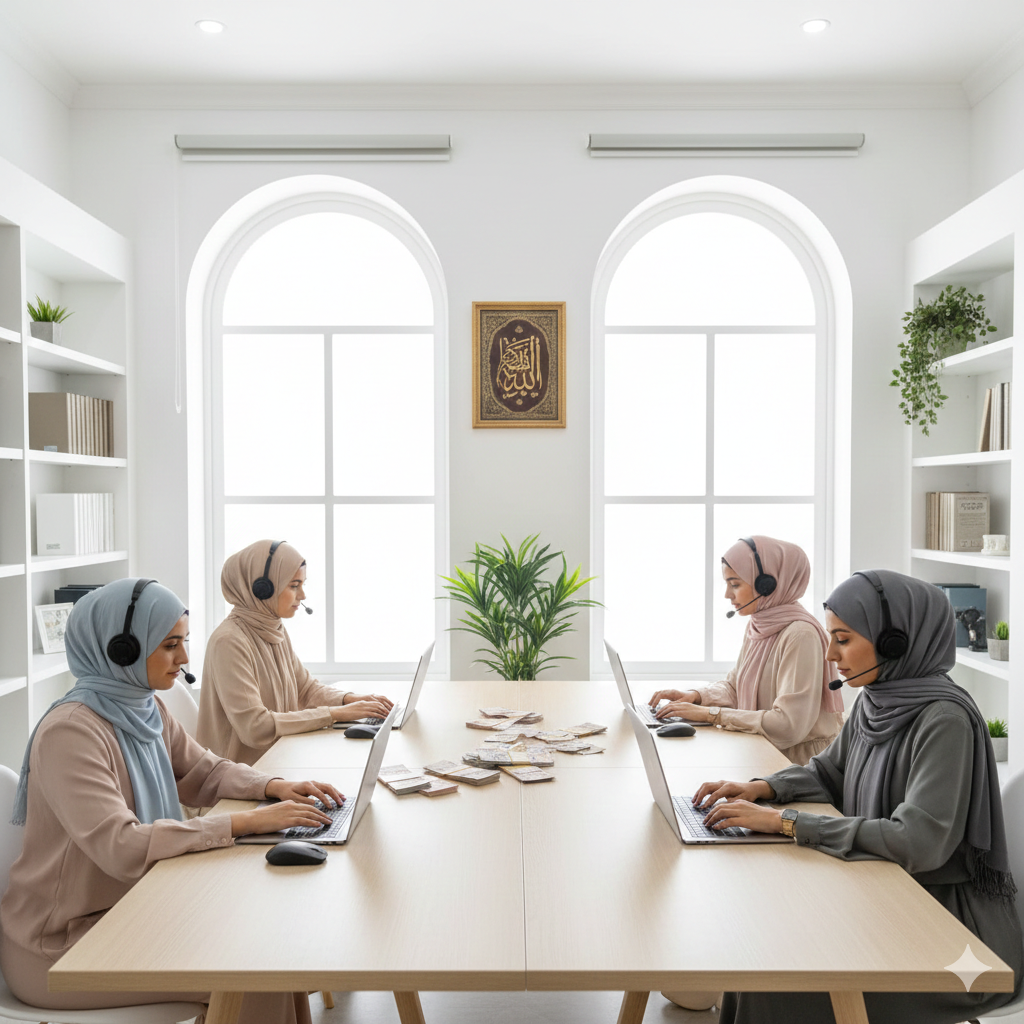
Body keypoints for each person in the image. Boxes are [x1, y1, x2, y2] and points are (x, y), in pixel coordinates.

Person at [0, 577, 343, 1023]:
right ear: (120, 650)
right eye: (169, 645)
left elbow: (203, 772)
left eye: (184, 642)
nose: (183, 659)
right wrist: (242, 825)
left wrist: (271, 787)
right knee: (260, 968)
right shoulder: (71, 733)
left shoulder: (144, 706)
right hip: (62, 946)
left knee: (272, 946)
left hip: (139, 909)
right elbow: (120, 846)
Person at [693, 569, 1023, 1024]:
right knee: (755, 958)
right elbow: (830, 772)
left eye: (842, 640)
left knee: (768, 987)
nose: (830, 655)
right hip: (891, 897)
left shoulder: (943, 720)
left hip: (954, 936)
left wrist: (787, 822)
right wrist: (764, 788)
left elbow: (917, 841)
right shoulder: (877, 699)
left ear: (896, 643)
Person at [649, 536, 844, 764]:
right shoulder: (759, 625)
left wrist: (711, 715)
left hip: (798, 765)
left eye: (735, 584)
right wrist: (696, 697)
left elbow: (788, 726)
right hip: (762, 752)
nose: (727, 595)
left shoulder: (801, 635)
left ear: (767, 586)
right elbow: (735, 687)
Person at [198, 539, 393, 764]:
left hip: (281, 759)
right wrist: (336, 714)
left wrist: (349, 700)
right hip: (244, 774)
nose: (302, 595)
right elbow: (255, 727)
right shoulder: (229, 642)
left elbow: (305, 690)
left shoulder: (273, 628)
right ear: (263, 589)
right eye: (293, 585)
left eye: (302, 584)